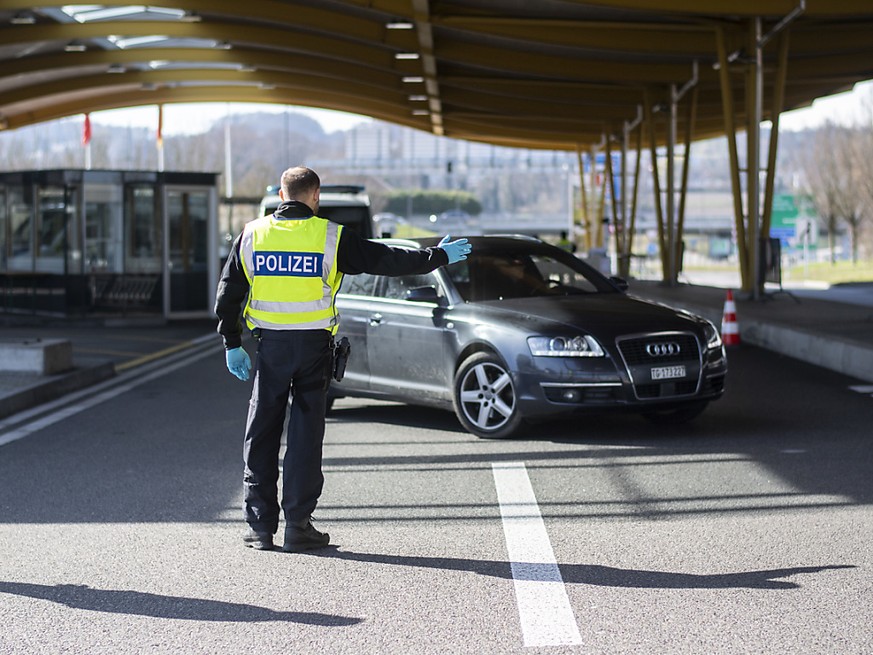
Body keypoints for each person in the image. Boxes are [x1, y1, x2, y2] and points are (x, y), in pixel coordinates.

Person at [214, 166, 471, 553]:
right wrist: (436, 256)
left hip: (271, 349)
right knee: (304, 436)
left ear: (282, 196)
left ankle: (259, 527)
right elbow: (386, 259)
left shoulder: (253, 234)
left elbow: (229, 291)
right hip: (314, 349)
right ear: (315, 196)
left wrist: (231, 341)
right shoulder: (331, 236)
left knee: (262, 432)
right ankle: (297, 526)